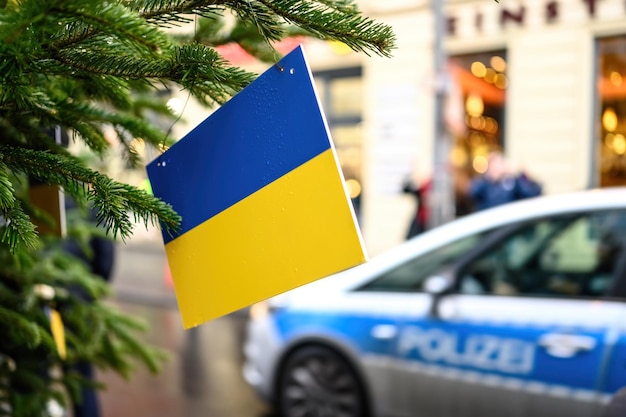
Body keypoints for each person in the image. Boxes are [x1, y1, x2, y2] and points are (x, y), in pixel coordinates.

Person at [61, 197, 115, 417]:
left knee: (36, 378)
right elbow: (105, 258)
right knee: (81, 379)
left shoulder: (39, 193)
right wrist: (93, 288)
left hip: (41, 296)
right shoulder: (93, 206)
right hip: (80, 303)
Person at [468, 150, 542, 211]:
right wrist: (489, 178)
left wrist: (517, 177)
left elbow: (532, 193)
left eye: (499, 164)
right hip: (488, 221)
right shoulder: (483, 182)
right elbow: (472, 193)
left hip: (507, 222)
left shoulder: (512, 181)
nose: (497, 168)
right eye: (494, 164)